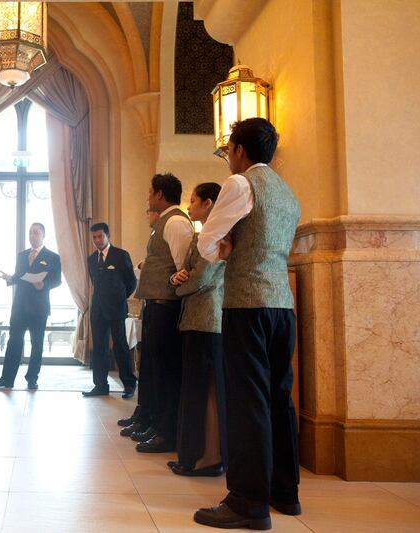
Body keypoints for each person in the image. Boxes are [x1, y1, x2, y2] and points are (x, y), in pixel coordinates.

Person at [193, 118, 301, 530]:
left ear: (239, 150)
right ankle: (284, 493)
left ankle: (248, 502)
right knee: (278, 398)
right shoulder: (288, 192)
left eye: (228, 151)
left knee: (247, 401)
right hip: (281, 307)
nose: (228, 159)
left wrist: (222, 249)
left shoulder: (240, 185)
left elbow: (207, 242)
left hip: (247, 306)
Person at [130, 173, 193, 453]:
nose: (147, 196)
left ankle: (166, 432)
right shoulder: (163, 222)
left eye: (149, 191)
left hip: (168, 307)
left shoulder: (177, 222)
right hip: (156, 305)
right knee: (153, 369)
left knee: (166, 372)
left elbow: (183, 267)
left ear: (159, 194)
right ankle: (153, 423)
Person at [168, 182, 227, 477]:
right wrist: (179, 277)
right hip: (197, 318)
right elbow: (191, 273)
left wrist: (180, 287)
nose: (189, 206)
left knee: (204, 390)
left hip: (207, 320)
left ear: (209, 203)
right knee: (195, 388)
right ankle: (194, 454)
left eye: (193, 201)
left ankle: (207, 457)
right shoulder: (204, 235)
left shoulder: (216, 235)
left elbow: (202, 278)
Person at [0, 222, 62, 390]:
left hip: (39, 307)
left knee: (37, 344)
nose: (32, 236)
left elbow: (57, 280)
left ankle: (32, 378)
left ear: (43, 235)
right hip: (19, 306)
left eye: (36, 233)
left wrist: (43, 285)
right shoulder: (21, 255)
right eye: (30, 233)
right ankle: (7, 379)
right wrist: (10, 279)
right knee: (13, 342)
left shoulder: (52, 256)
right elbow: (19, 276)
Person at [117, 208, 161, 434]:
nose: (146, 213)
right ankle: (143, 413)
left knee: (155, 367)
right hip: (150, 304)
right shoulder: (156, 233)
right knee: (147, 365)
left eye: (150, 210)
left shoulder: (175, 225)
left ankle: (154, 420)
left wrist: (148, 266)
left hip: (164, 305)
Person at [83, 222, 138, 398]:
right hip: (98, 309)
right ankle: (100, 385)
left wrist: (120, 298)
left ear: (108, 236)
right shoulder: (91, 259)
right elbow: (95, 283)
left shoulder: (121, 255)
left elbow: (131, 282)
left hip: (116, 308)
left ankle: (129, 385)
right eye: (94, 237)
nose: (97, 240)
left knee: (120, 346)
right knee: (99, 348)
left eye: (100, 236)